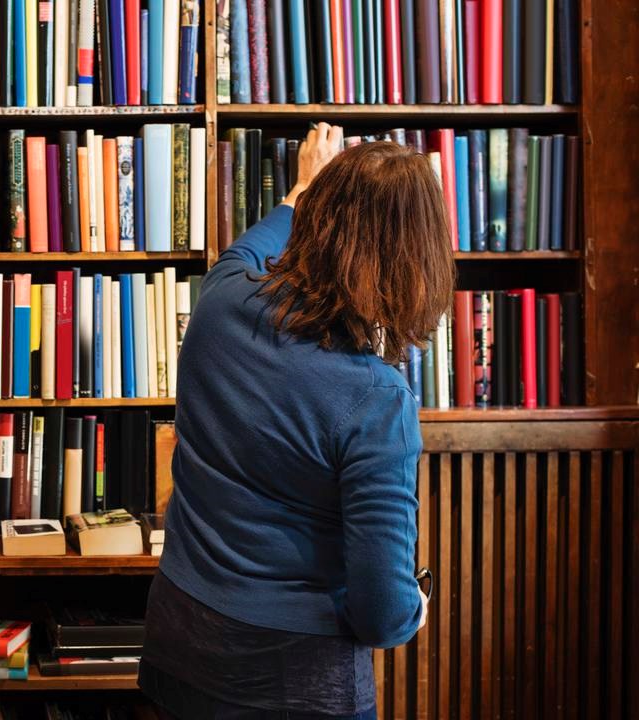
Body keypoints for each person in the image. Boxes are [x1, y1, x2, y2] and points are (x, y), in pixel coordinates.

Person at [140, 124, 452, 719]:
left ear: (314, 225)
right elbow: (383, 615)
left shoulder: (223, 297)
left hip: (178, 640)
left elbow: (251, 247)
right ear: (420, 260)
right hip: (294, 682)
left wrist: (305, 188)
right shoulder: (377, 398)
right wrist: (417, 603)